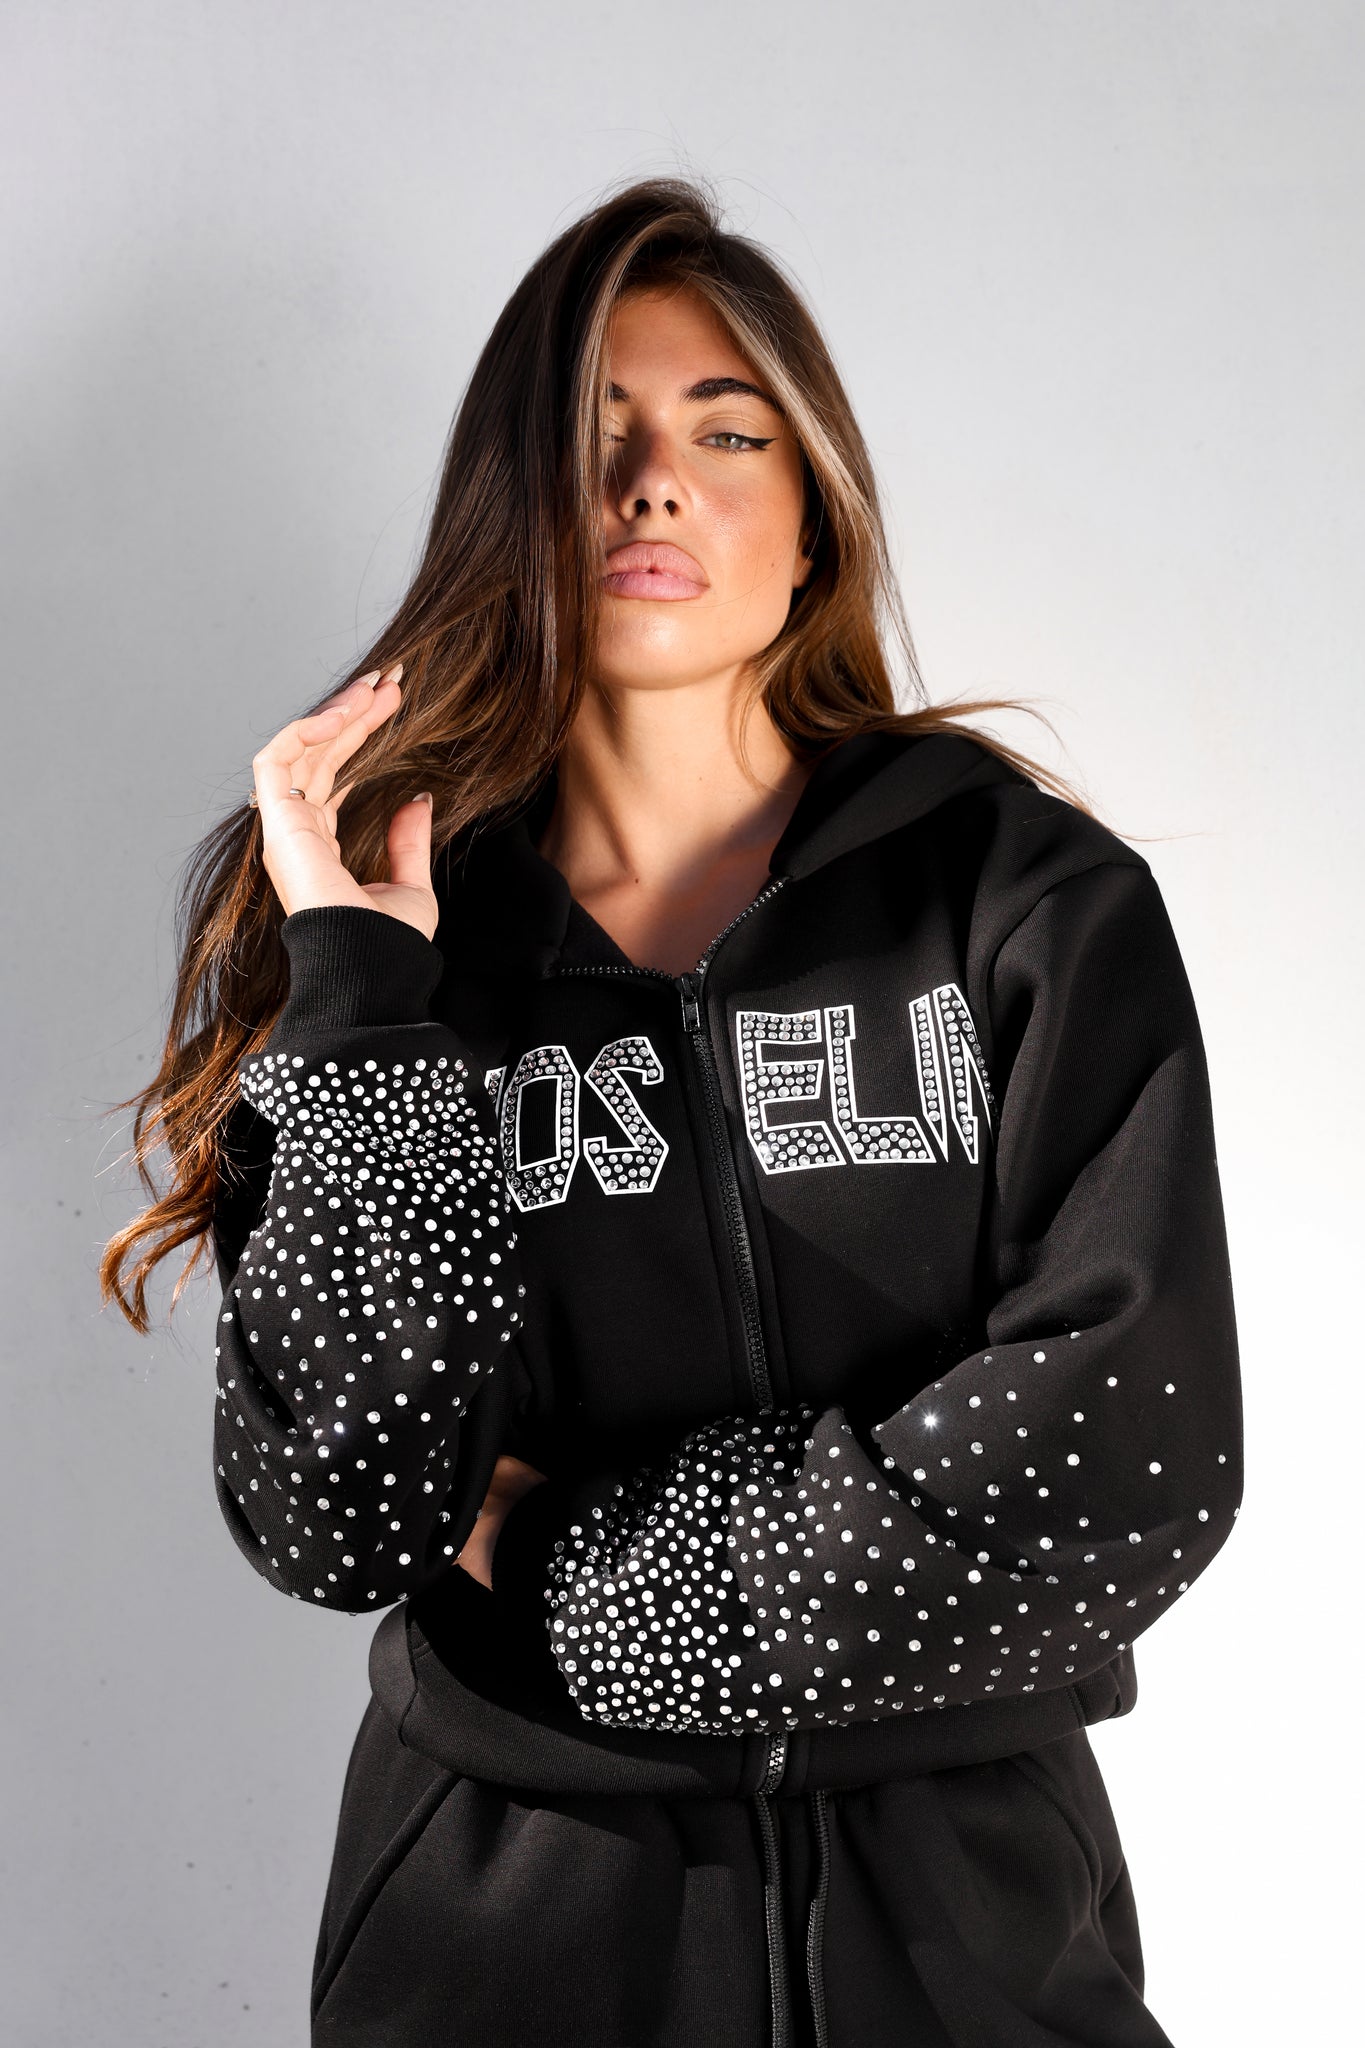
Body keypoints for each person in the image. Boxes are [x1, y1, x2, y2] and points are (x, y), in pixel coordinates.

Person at [103, 175, 1244, 2047]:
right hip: (502, 1949)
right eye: (597, 437)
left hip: (972, 1944)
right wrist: (365, 1007)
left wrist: (596, 1574)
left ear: (812, 518)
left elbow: (1130, 1453)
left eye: (726, 433)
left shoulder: (1022, 901)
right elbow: (341, 1517)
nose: (654, 486)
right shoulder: (393, 952)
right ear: (513, 508)